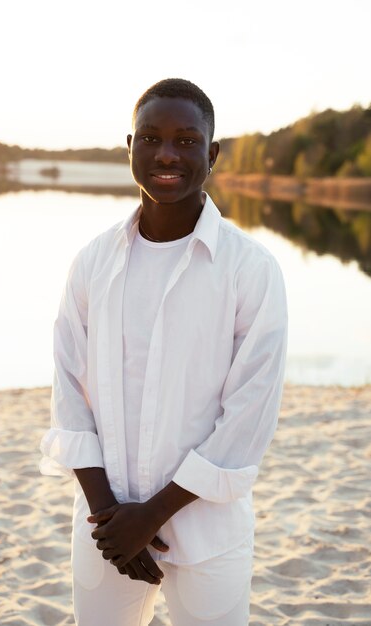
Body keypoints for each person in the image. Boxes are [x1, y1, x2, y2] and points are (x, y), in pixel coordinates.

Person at [40, 78, 288, 626]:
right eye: (150, 139)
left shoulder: (251, 270)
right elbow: (68, 391)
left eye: (186, 140)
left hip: (208, 529)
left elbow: (248, 417)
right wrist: (112, 518)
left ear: (213, 153)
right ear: (129, 147)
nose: (167, 154)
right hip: (103, 526)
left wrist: (149, 517)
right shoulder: (92, 262)